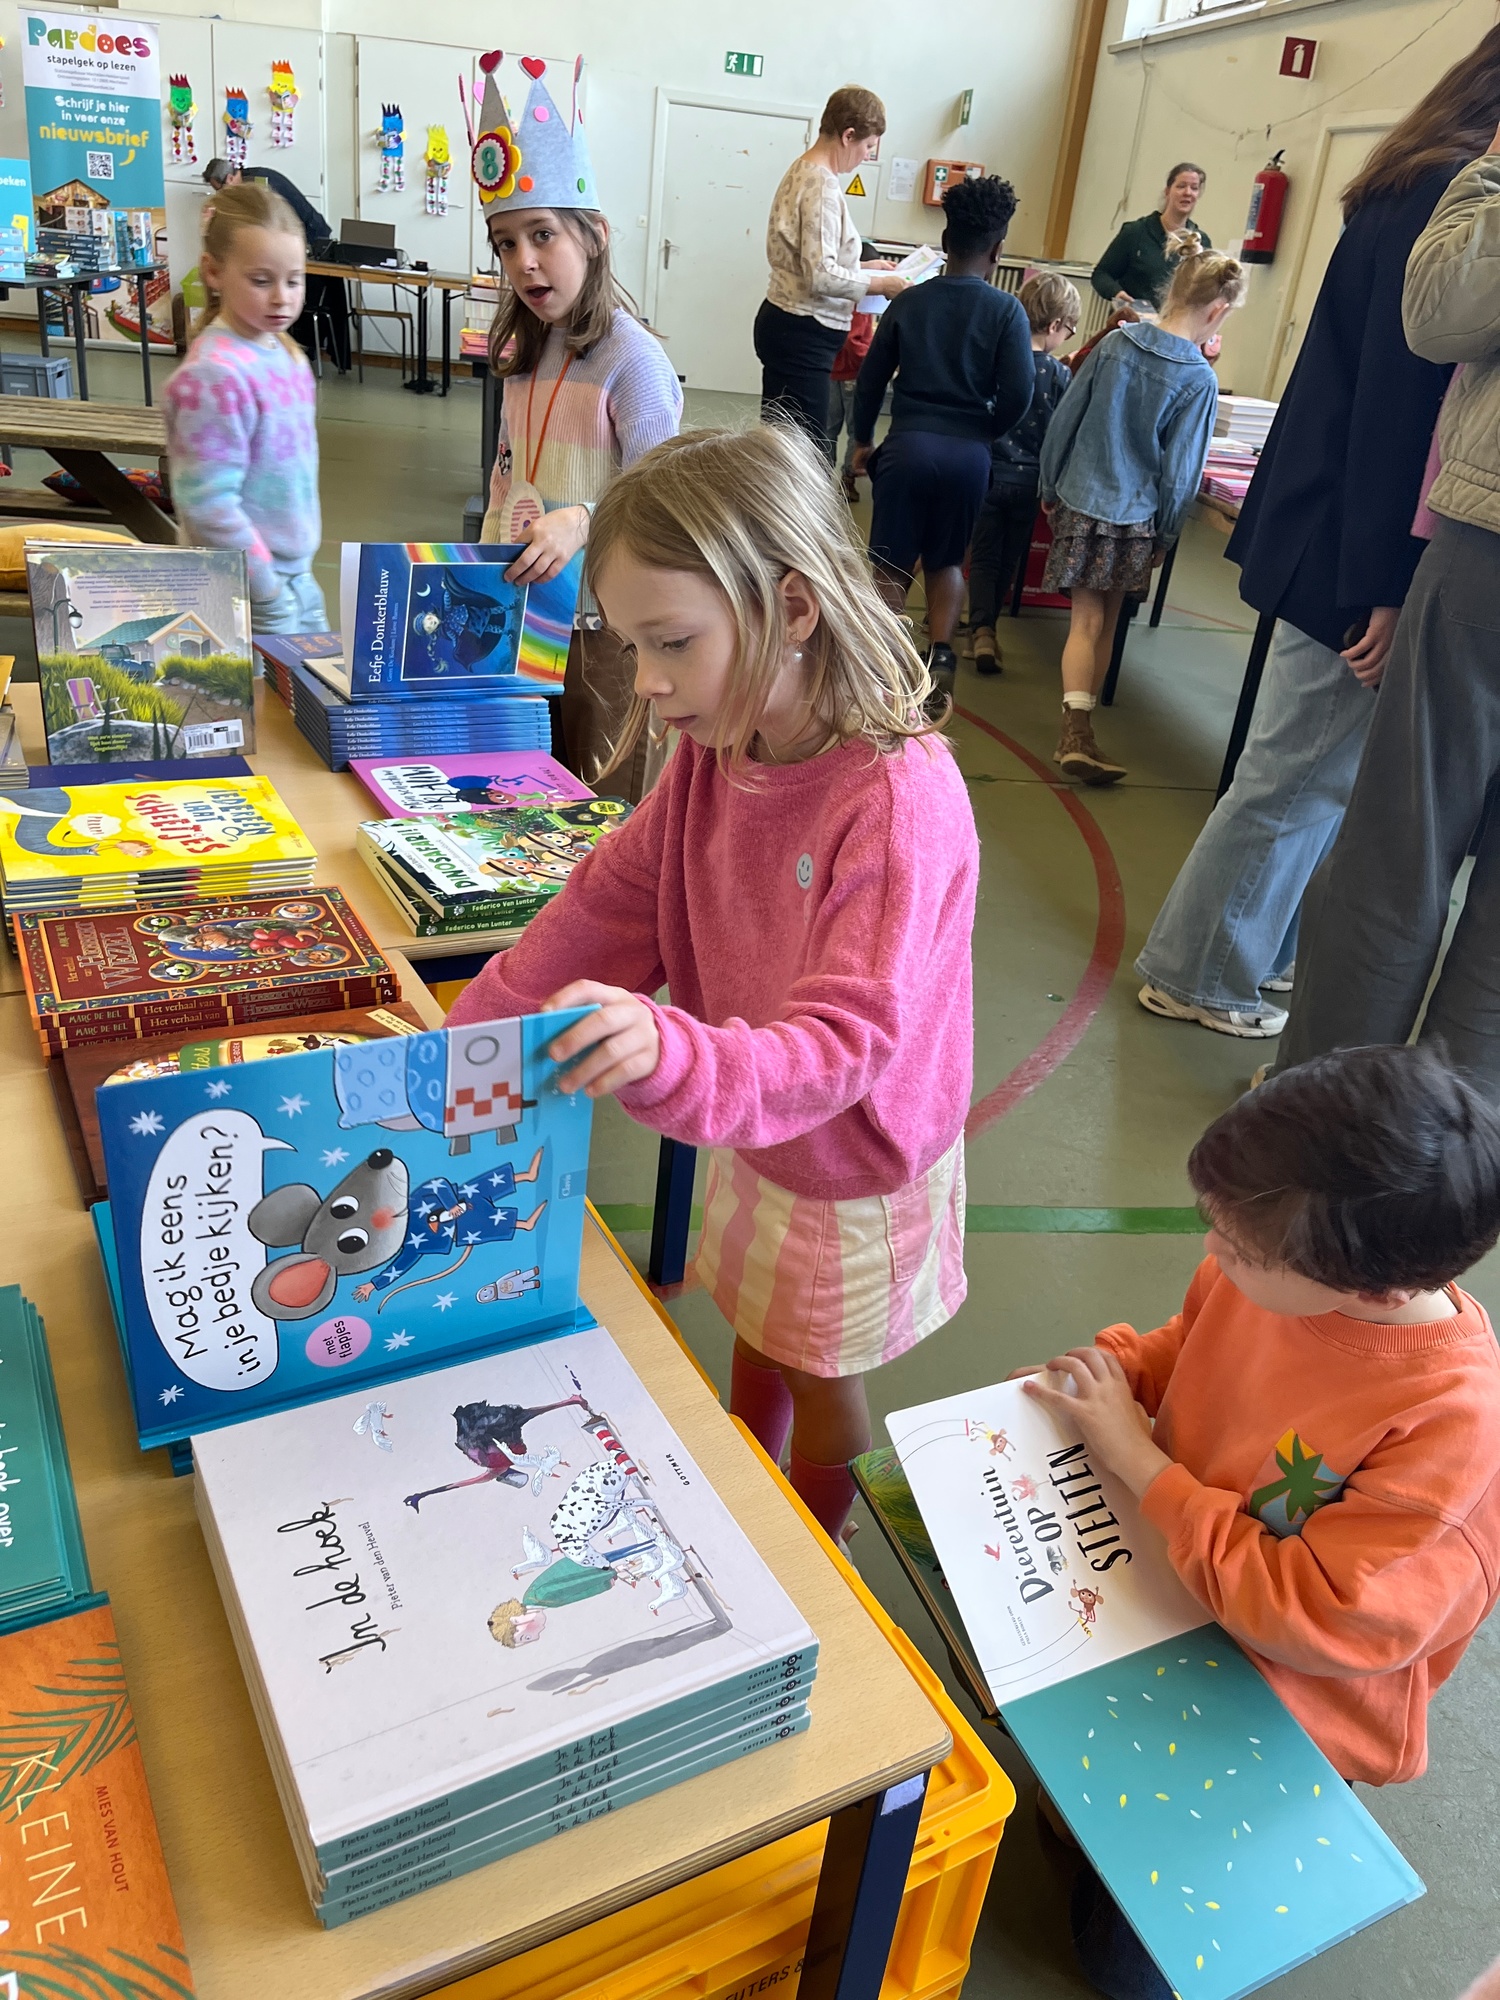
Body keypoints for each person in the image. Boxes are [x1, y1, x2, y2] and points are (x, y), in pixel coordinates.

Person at [447, 423, 978, 1545]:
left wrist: (675, 1052)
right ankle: (751, 1483)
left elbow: (844, 1043)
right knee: (757, 1322)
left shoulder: (895, 801)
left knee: (820, 1374)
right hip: (754, 1114)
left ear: (793, 608)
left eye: (673, 643)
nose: (646, 681)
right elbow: (615, 897)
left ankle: (810, 1545)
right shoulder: (718, 743)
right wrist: (471, 1033)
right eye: (631, 643)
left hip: (848, 1159)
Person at [1019, 1044, 1500, 1999]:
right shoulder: (1272, 1270)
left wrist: (1140, 1462)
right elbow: (1189, 1342)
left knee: (1128, 1975)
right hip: (1177, 1589)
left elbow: (1315, 1618)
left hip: (1291, 1697)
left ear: (1376, 1292)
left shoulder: (1448, 1420)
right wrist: (1118, 1374)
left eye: (1240, 1250)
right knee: (1061, 1813)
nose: (1214, 1254)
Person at [1136, 40, 1500, 1040]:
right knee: (1296, 774)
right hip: (1357, 541)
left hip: (1335, 523)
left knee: (1313, 774)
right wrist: (1385, 581)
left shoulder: (1414, 177)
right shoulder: (1450, 192)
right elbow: (1399, 410)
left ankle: (1248, 955)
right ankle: (1200, 970)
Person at [1271, 102, 1500, 1094]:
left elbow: (1439, 319)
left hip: (1487, 547)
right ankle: (1448, 1148)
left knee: (1399, 844)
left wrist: (1494, 173)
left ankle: (1329, 1123)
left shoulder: (1444, 175)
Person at [472, 52, 682, 803]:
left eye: (542, 235)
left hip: (604, 625)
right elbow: (507, 477)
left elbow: (661, 503)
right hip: (521, 610)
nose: (525, 262)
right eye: (506, 243)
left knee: (602, 801)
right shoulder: (523, 353)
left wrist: (582, 518)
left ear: (592, 234)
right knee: (521, 789)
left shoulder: (634, 361)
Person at [1039, 238, 1243, 784]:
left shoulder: (1114, 344)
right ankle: (1079, 732)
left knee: (1083, 620)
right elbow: (1181, 473)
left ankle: (1075, 727)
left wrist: (1049, 484)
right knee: (1106, 623)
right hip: (1135, 518)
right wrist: (1167, 535)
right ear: (1217, 310)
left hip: (1081, 500)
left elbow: (1065, 420)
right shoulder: (1199, 379)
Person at [850, 175, 1034, 700]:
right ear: (998, 251)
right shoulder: (1007, 312)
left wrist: (862, 441)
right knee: (947, 559)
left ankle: (883, 660)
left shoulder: (909, 303)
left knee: (890, 564)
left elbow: (870, 380)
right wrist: (980, 434)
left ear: (946, 241)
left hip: (908, 447)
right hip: (968, 457)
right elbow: (1019, 393)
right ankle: (942, 655)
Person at [161, 181, 327, 636]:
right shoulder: (215, 376)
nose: (281, 297)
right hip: (243, 589)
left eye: (294, 280)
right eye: (261, 280)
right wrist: (266, 591)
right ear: (213, 272)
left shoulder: (282, 350)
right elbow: (207, 503)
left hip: (293, 575)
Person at [754, 86, 907, 456]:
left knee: (780, 448)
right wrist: (883, 284)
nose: (867, 155)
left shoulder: (803, 168)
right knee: (803, 453)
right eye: (868, 146)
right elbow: (821, 275)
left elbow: (808, 257)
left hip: (787, 323)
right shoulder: (821, 185)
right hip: (802, 333)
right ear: (847, 135)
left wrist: (864, 266)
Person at [967, 271, 1080, 674]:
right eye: (1068, 330)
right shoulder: (1060, 376)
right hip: (1031, 482)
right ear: (1054, 325)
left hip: (989, 474)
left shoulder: (997, 362)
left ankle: (980, 630)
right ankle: (990, 626)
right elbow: (1062, 434)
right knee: (1008, 558)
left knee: (983, 555)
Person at [1090, 163, 1211, 309]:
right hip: (1133, 319)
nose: (1188, 192)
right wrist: (1117, 293)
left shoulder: (1201, 242)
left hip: (1174, 321)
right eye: (1181, 186)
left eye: (1194, 188)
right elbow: (1101, 275)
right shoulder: (1135, 232)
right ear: (1167, 191)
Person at [826, 243, 881, 504]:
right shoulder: (859, 301)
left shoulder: (835, 293)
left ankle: (821, 477)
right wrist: (873, 361)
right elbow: (854, 340)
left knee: (828, 428)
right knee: (855, 429)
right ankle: (848, 479)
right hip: (852, 373)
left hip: (831, 371)